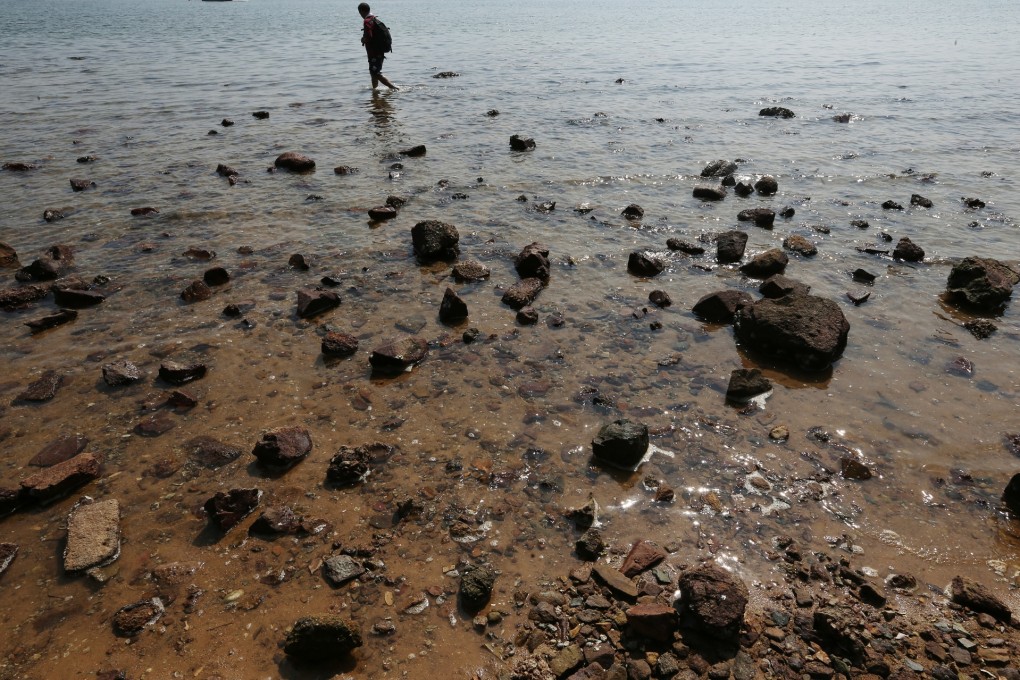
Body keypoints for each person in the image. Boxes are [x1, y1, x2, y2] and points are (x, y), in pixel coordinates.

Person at [358, 3, 397, 91]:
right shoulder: (374, 19)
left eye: (359, 12)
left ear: (361, 11)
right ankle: (375, 92)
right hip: (379, 50)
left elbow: (368, 37)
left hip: (374, 52)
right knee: (373, 73)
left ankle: (394, 88)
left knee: (375, 73)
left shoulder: (367, 21)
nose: (360, 15)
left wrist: (363, 40)